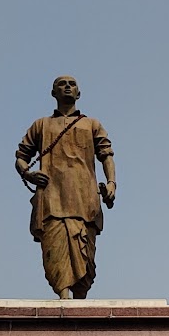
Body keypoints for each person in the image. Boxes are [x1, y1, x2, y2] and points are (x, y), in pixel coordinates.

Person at [16, 76, 116, 300]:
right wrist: (29, 174)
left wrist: (111, 183)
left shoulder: (92, 124)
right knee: (55, 252)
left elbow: (106, 155)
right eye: (62, 84)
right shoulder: (41, 125)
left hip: (85, 199)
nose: (67, 87)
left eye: (72, 84)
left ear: (78, 93)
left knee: (86, 256)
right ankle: (63, 299)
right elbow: (21, 156)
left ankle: (79, 303)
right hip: (52, 197)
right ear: (53, 93)